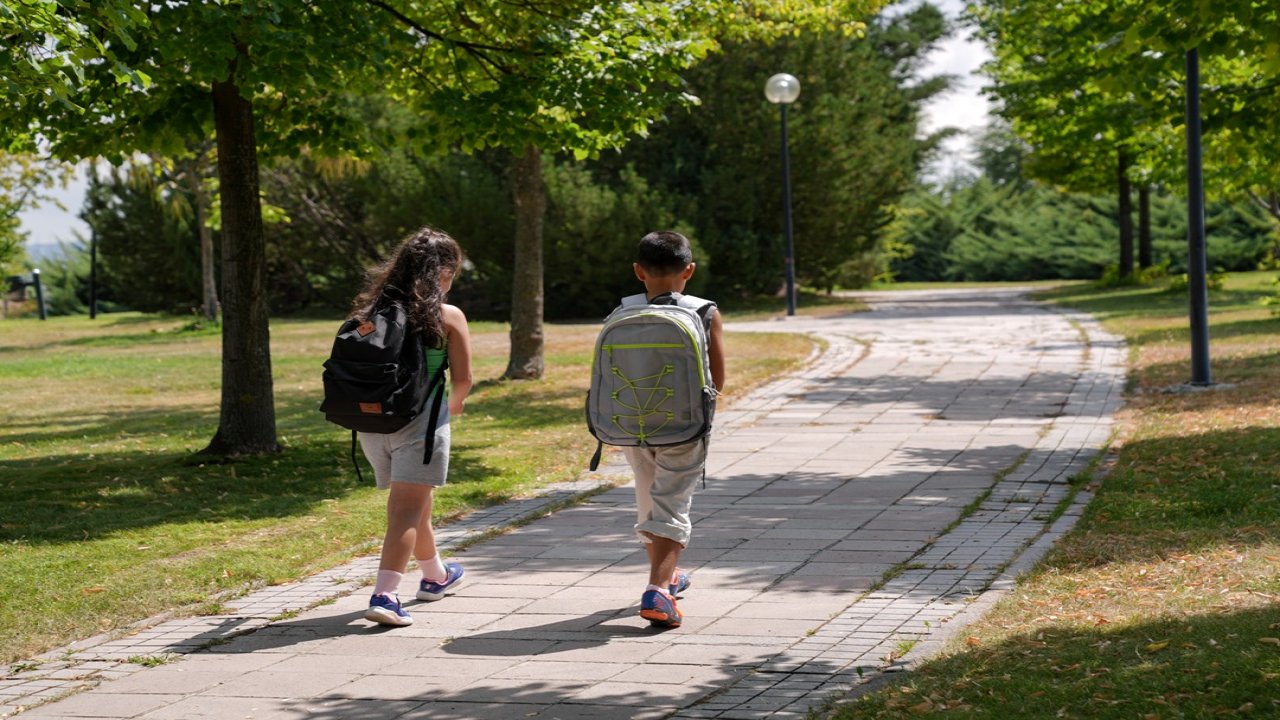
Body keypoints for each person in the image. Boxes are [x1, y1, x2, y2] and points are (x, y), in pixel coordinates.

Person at [350, 226, 473, 627]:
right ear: (443, 272)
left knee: (416, 503)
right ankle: (385, 595)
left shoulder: (369, 313)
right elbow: (463, 379)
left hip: (370, 422)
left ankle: (436, 577)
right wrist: (451, 410)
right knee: (405, 510)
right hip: (420, 425)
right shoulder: (447, 315)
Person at [623, 230, 726, 629]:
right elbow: (718, 379)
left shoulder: (623, 311)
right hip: (683, 424)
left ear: (638, 271)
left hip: (631, 422)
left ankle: (668, 574)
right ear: (690, 271)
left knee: (649, 499)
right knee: (671, 504)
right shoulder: (705, 312)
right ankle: (658, 589)